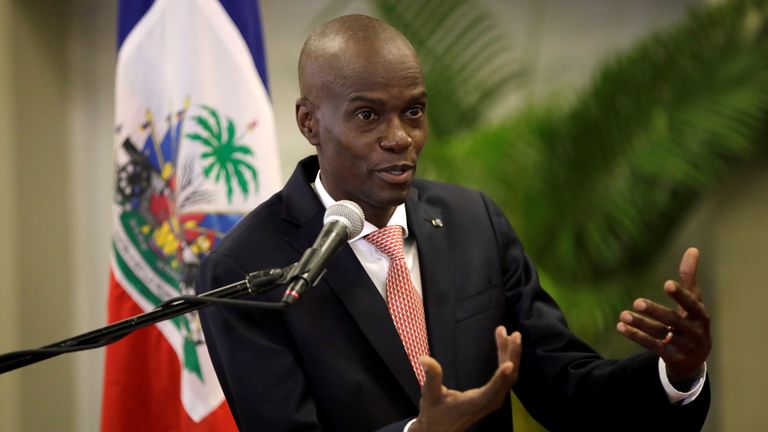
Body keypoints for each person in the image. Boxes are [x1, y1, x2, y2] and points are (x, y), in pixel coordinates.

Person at [197, 14, 711, 431]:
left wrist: (675, 372)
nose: (399, 137)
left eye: (414, 111)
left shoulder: (473, 223)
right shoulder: (246, 269)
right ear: (309, 122)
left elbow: (564, 386)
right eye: (367, 116)